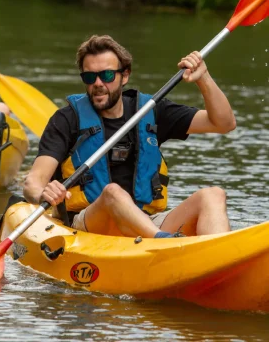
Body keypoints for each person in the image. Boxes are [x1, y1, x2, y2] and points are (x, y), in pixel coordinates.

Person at [24, 34, 236, 238]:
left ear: (125, 75)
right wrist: (44, 193)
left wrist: (203, 78)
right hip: (88, 225)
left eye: (107, 75)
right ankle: (162, 243)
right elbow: (34, 182)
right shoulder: (67, 120)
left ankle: (223, 257)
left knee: (213, 195)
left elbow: (224, 123)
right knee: (112, 193)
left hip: (144, 222)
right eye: (90, 77)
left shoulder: (150, 110)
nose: (98, 83)